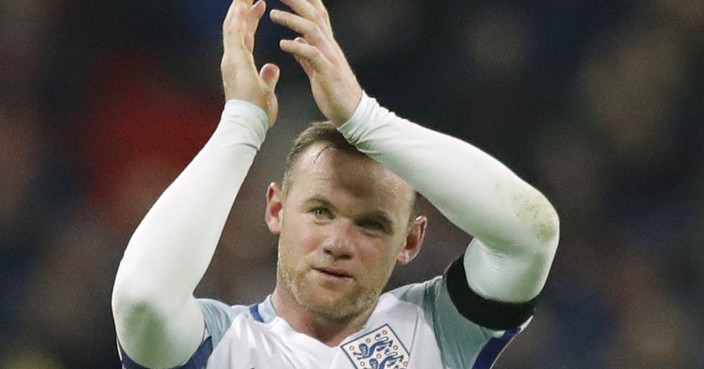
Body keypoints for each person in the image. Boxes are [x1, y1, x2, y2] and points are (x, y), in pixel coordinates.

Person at [111, 0, 560, 368]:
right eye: (321, 211)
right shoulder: (220, 347)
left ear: (411, 240)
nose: (338, 242)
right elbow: (142, 299)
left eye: (372, 225)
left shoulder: (439, 330)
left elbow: (529, 234)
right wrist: (241, 123)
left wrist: (367, 119)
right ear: (275, 210)